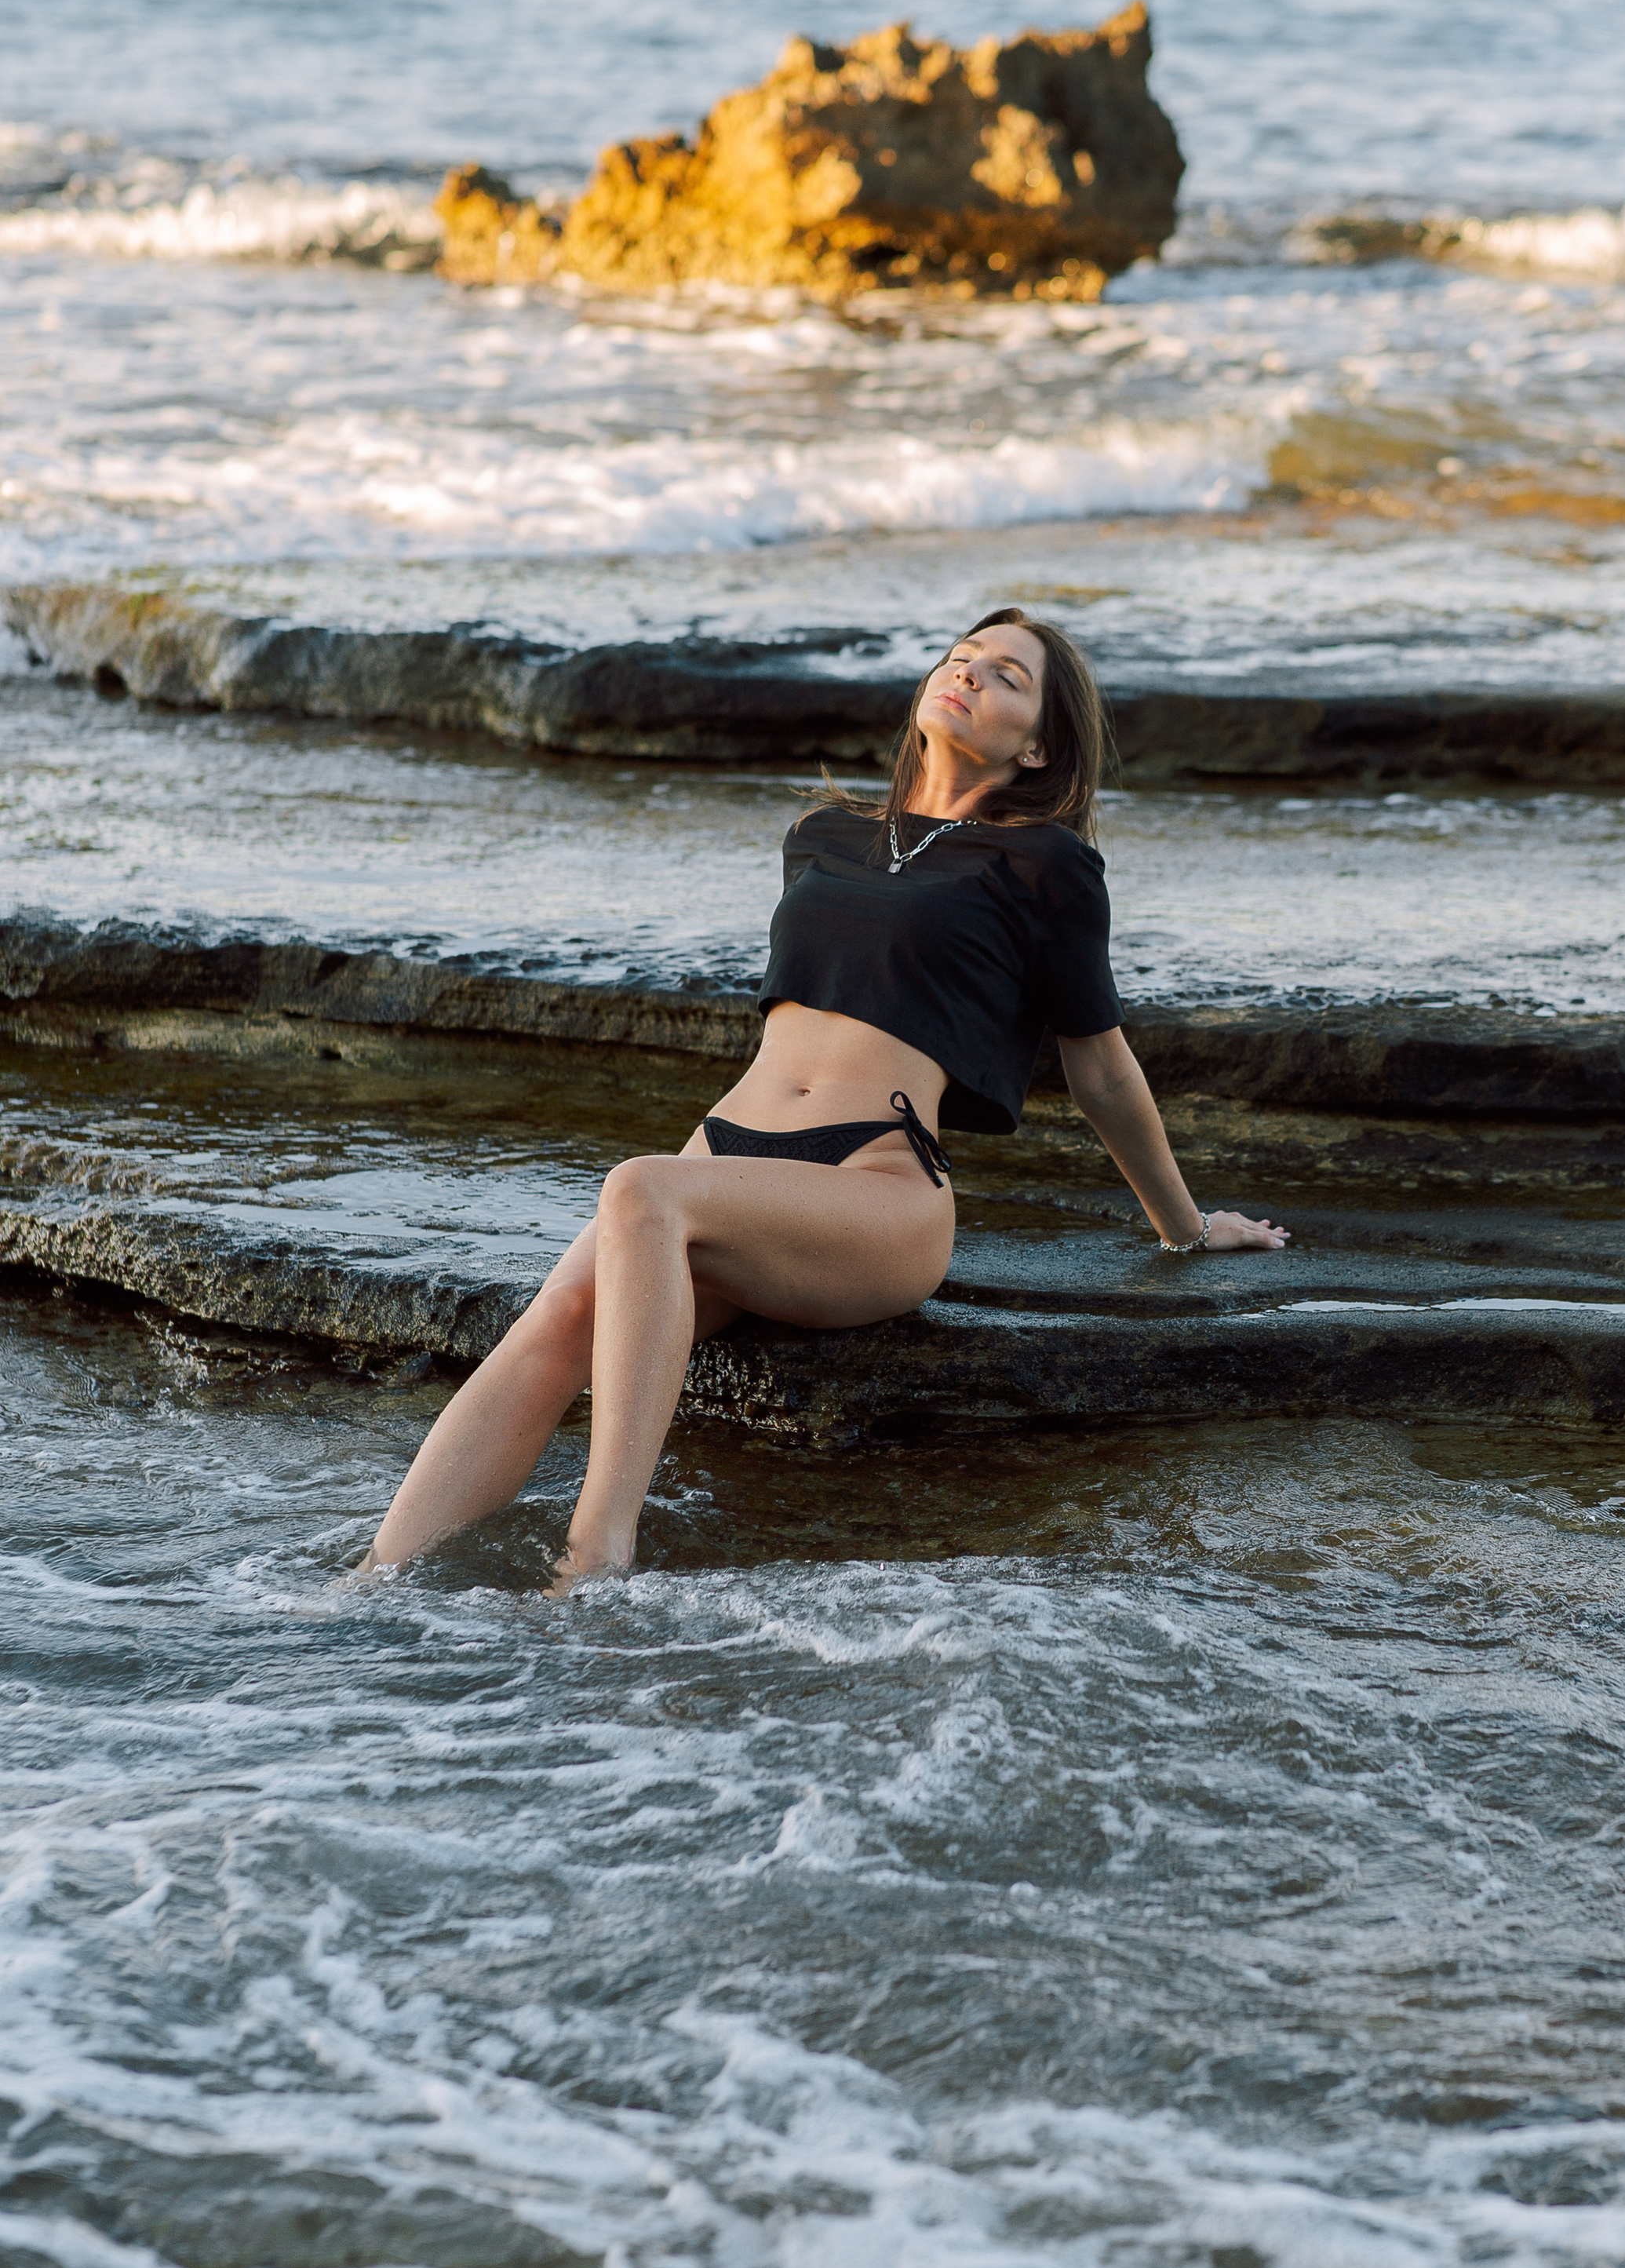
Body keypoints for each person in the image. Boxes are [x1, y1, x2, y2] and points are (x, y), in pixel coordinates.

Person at [370, 610, 1287, 1585]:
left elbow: (1100, 1068)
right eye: (960, 657)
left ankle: (597, 1555)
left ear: (1038, 746)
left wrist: (1186, 1229)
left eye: (1007, 676)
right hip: (728, 1154)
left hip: (876, 1185)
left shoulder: (1045, 864)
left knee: (640, 1189)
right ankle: (370, 1588)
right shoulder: (821, 834)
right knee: (558, 1321)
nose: (969, 674)